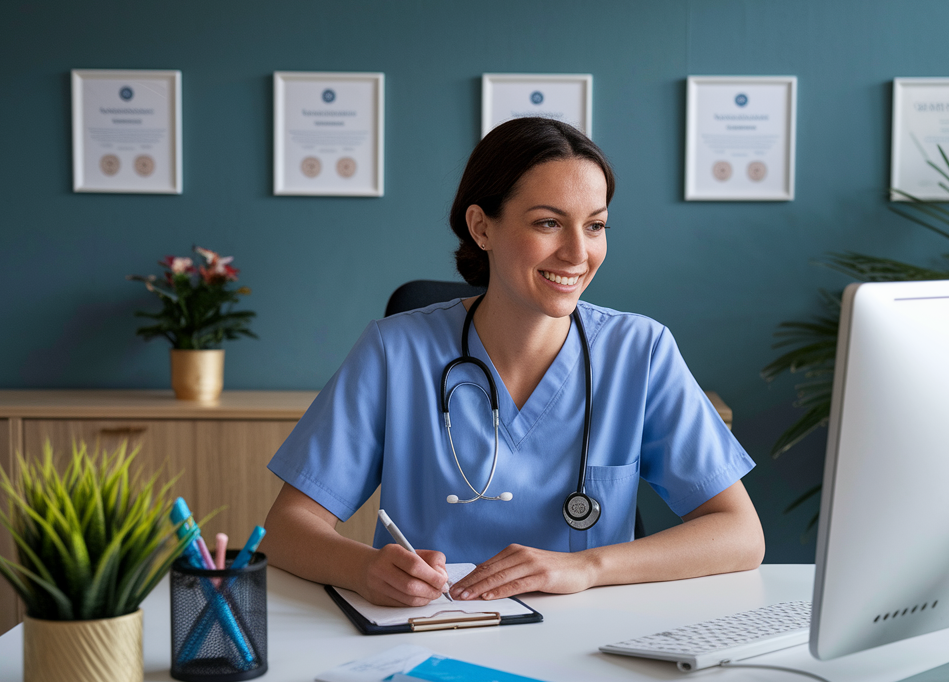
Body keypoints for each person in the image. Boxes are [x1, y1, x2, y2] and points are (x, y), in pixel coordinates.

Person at [263, 117, 764, 606]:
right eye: (548, 223)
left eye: (595, 226)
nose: (577, 253)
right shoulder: (395, 352)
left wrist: (587, 567)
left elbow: (741, 534)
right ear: (482, 226)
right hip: (432, 634)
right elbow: (286, 530)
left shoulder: (641, 350)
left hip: (586, 639)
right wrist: (361, 569)